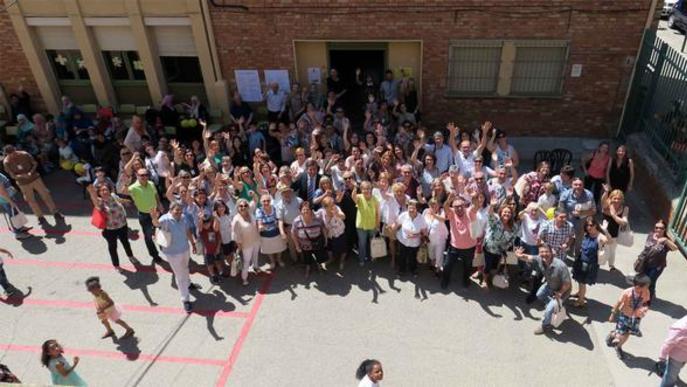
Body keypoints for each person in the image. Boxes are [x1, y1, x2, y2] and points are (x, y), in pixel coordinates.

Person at [515, 243, 572, 335]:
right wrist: (519, 255)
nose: (544, 254)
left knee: (549, 309)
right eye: (542, 252)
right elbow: (527, 257)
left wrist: (560, 293)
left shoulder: (561, 266)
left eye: (546, 252)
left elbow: (567, 284)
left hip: (562, 290)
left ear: (551, 253)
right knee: (539, 295)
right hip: (550, 285)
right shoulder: (539, 259)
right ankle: (552, 305)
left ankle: (545, 325)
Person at [151, 203, 197, 313]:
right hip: (172, 253)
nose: (179, 213)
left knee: (185, 268)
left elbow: (187, 231)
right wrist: (154, 218)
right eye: (177, 210)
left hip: (185, 249)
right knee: (180, 275)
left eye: (180, 211)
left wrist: (193, 243)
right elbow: (157, 224)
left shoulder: (183, 217)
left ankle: (189, 283)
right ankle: (185, 299)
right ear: (171, 210)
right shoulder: (165, 219)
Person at [2, 145, 63, 224]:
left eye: (14, 153)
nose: (14, 155)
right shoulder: (6, 162)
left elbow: (34, 163)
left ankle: (55, 213)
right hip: (23, 183)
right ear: (7, 154)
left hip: (35, 179)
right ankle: (40, 217)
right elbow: (12, 175)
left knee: (46, 195)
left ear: (15, 150)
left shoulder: (24, 154)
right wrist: (22, 176)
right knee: (30, 200)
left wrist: (31, 172)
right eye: (11, 155)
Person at [87, 184, 134, 270]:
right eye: (102, 190)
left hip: (122, 225)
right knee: (113, 247)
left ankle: (130, 256)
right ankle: (116, 265)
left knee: (126, 242)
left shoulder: (113, 196)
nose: (104, 192)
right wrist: (91, 191)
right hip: (110, 230)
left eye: (106, 189)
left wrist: (127, 201)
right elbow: (94, 199)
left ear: (109, 190)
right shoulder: (100, 202)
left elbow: (119, 200)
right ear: (99, 193)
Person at [121, 167, 163, 265]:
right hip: (144, 215)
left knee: (162, 232)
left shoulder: (151, 184)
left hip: (156, 212)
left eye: (146, 175)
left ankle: (164, 247)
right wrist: (126, 183)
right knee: (148, 237)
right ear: (137, 176)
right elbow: (123, 192)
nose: (144, 177)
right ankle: (154, 255)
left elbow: (156, 195)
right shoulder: (133, 187)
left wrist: (159, 203)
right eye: (141, 175)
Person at [607, 274, 651, 359]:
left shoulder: (646, 292)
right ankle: (616, 340)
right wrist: (612, 314)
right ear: (638, 286)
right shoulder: (627, 292)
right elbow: (618, 303)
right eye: (646, 286)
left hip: (636, 317)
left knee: (628, 332)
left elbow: (647, 302)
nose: (648, 288)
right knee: (621, 332)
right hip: (624, 315)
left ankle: (617, 341)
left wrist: (644, 309)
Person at [636, 219, 678, 303]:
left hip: (656, 267)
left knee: (649, 282)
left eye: (661, 228)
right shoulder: (650, 235)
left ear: (664, 229)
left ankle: (647, 300)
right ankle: (644, 294)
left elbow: (675, 248)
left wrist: (665, 240)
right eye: (656, 227)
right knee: (644, 280)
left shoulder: (666, 241)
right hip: (645, 263)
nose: (658, 229)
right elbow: (646, 249)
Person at [571, 217, 608, 307]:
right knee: (579, 280)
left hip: (589, 264)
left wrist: (604, 231)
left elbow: (607, 241)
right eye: (587, 225)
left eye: (591, 225)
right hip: (581, 260)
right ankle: (580, 293)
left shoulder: (599, 236)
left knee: (582, 282)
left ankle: (581, 301)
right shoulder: (587, 234)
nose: (589, 227)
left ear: (596, 225)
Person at [442, 193, 477, 289]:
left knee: (467, 266)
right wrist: (449, 201)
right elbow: (445, 207)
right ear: (453, 207)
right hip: (454, 246)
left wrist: (474, 197)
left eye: (461, 206)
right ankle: (445, 280)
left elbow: (476, 205)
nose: (459, 208)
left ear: (465, 206)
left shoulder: (469, 212)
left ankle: (466, 280)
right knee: (448, 265)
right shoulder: (452, 213)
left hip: (469, 247)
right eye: (456, 207)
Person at [483, 195, 517, 288]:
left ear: (511, 214)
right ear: (501, 212)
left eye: (509, 212)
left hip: (500, 251)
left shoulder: (514, 226)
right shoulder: (496, 220)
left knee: (494, 267)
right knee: (487, 266)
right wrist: (492, 206)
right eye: (505, 212)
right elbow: (490, 214)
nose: (507, 214)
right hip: (489, 249)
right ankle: (485, 280)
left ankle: (491, 278)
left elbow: (512, 239)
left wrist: (505, 248)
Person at [292, 201, 328, 277]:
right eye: (303, 209)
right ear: (300, 211)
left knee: (319, 256)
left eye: (307, 209)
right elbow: (293, 234)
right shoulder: (296, 221)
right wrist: (297, 246)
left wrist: (326, 239)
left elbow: (323, 229)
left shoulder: (318, 218)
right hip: (305, 245)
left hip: (317, 242)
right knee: (307, 257)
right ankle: (308, 268)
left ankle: (319, 266)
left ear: (311, 210)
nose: (305, 211)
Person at [393, 200, 428, 276]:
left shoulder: (421, 218)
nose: (411, 210)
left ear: (417, 209)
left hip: (414, 243)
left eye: (413, 208)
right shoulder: (404, 215)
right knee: (402, 256)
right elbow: (396, 224)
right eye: (409, 208)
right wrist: (392, 229)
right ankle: (401, 270)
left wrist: (416, 235)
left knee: (412, 257)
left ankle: (413, 270)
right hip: (403, 241)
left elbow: (424, 233)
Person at [232, 198, 261, 286]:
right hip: (246, 243)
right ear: (237, 207)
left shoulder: (250, 212)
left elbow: (255, 200)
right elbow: (235, 235)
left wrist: (253, 194)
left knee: (255, 255)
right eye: (241, 206)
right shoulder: (236, 219)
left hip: (256, 239)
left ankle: (255, 267)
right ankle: (244, 278)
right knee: (246, 261)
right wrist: (239, 246)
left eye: (245, 205)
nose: (243, 207)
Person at [600, 188, 629, 271]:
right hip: (604, 233)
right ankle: (597, 263)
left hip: (615, 234)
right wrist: (606, 192)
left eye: (619, 198)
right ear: (611, 198)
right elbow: (603, 202)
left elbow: (624, 222)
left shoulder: (625, 208)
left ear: (622, 199)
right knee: (603, 250)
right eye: (615, 198)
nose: (616, 200)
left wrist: (613, 215)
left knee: (612, 250)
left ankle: (611, 265)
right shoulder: (607, 206)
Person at [256, 194, 287, 269]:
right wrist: (261, 226)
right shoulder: (259, 210)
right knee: (269, 250)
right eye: (264, 201)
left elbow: (279, 220)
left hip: (276, 233)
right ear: (261, 202)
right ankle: (272, 261)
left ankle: (279, 260)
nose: (266, 202)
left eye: (268, 201)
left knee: (279, 248)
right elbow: (260, 223)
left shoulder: (275, 208)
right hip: (265, 235)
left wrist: (266, 226)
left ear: (270, 201)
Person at [316, 196, 347, 271]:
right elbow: (315, 216)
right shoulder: (321, 211)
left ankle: (342, 261)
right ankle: (331, 259)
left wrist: (337, 214)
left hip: (339, 232)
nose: (333, 206)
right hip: (330, 234)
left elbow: (344, 217)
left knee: (343, 248)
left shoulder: (336, 208)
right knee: (329, 248)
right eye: (331, 205)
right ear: (325, 207)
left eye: (333, 204)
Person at [354, 181, 380, 265]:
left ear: (371, 189)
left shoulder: (375, 199)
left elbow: (378, 213)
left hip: (372, 225)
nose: (366, 190)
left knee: (372, 242)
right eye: (364, 189)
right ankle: (362, 259)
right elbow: (353, 197)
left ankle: (371, 256)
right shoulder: (359, 197)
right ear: (361, 189)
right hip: (361, 225)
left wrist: (377, 225)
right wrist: (355, 188)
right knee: (362, 243)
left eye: (368, 188)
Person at [0, 171, 32, 240]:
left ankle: (20, 228)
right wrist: (10, 201)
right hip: (7, 199)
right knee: (13, 215)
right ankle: (18, 233)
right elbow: (2, 191)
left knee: (15, 214)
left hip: (6, 198)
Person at [658, 315, 687, 387]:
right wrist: (662, 357)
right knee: (670, 378)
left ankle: (667, 370)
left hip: (683, 355)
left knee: (675, 370)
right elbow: (668, 343)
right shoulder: (681, 329)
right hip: (677, 357)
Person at [423, 198, 448, 272]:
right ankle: (432, 263)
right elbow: (422, 223)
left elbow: (443, 219)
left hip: (440, 239)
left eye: (436, 205)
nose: (434, 206)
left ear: (439, 205)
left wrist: (434, 214)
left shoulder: (441, 211)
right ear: (429, 205)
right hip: (429, 238)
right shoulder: (425, 211)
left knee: (439, 254)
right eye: (432, 204)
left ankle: (438, 269)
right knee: (431, 253)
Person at [198, 212, 223, 285]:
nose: (206, 225)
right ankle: (213, 275)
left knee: (218, 261)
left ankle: (220, 272)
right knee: (210, 264)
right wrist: (200, 218)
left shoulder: (214, 228)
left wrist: (218, 248)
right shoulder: (202, 231)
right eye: (204, 223)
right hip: (208, 252)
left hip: (216, 249)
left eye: (207, 223)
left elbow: (219, 238)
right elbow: (199, 226)